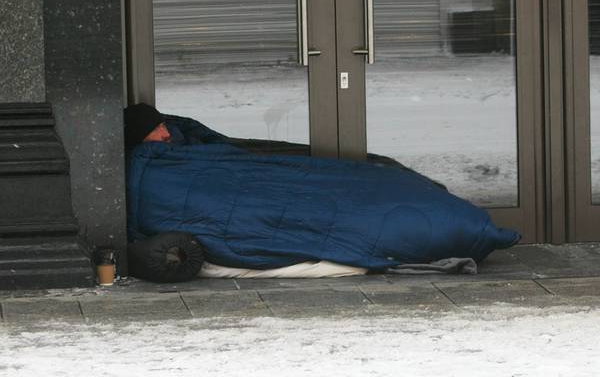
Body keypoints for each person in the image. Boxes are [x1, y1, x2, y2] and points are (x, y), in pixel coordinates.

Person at [123, 103, 520, 273]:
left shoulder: (187, 145)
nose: (164, 132)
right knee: (346, 218)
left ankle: (452, 218)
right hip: (246, 203)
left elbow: (237, 161)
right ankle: (462, 229)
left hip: (270, 183)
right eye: (155, 130)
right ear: (140, 140)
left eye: (163, 125)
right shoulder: (151, 169)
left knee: (364, 186)